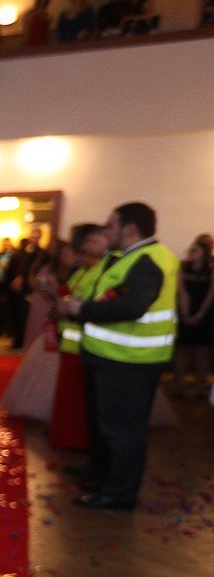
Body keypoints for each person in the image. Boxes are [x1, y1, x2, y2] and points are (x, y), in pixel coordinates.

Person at [58, 202, 178, 510]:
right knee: (107, 426)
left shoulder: (147, 260)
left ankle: (119, 494)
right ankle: (102, 476)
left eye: (111, 225)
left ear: (130, 229)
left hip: (130, 361)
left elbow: (132, 306)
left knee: (123, 432)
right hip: (115, 357)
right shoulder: (128, 257)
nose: (105, 231)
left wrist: (83, 309)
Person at [49, 224, 109, 450]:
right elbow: (70, 294)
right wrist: (58, 295)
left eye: (80, 253)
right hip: (70, 340)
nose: (77, 258)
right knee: (68, 395)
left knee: (77, 398)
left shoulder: (101, 272)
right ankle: (65, 436)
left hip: (83, 342)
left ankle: (76, 440)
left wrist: (67, 304)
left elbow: (86, 303)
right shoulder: (82, 271)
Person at [0, 242, 65, 421]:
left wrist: (51, 289)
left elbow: (62, 290)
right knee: (34, 336)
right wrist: (36, 284)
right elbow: (31, 280)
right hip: (38, 302)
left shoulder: (62, 268)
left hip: (50, 305)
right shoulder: (40, 262)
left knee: (45, 343)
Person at [172, 235, 214, 396]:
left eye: (197, 251)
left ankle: (200, 387)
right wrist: (185, 314)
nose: (192, 253)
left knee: (201, 352)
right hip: (185, 313)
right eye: (192, 250)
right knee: (182, 351)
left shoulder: (211, 269)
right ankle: (179, 386)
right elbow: (181, 291)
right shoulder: (183, 267)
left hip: (205, 314)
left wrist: (200, 315)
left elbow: (211, 294)